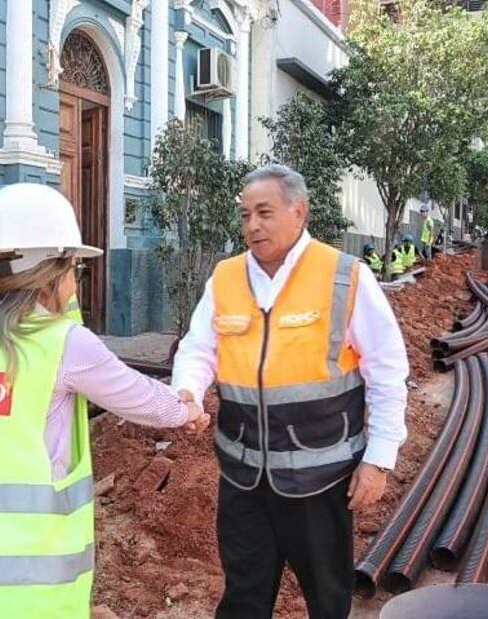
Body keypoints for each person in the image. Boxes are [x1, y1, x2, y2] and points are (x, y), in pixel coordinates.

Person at [0, 183, 210, 619]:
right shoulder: (60, 342)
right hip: (28, 596)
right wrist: (187, 410)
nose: (74, 283)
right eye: (75, 269)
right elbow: (142, 399)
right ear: (52, 271)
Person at [171, 165, 408, 619]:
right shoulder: (225, 277)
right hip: (242, 476)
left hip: (319, 479)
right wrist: (188, 391)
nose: (252, 226)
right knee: (244, 594)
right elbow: (199, 348)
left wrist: (378, 459)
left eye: (264, 212)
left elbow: (386, 370)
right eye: (244, 215)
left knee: (326, 596)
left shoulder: (344, 275)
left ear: (298, 212)